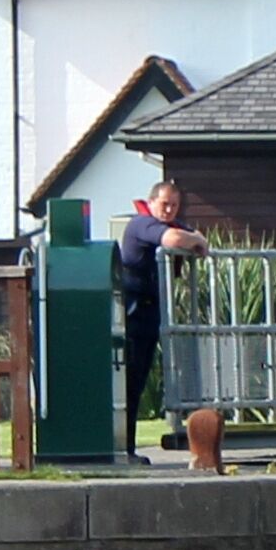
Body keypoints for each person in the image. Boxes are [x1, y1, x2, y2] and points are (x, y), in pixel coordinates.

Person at [116, 181, 210, 454]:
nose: (169, 210)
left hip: (149, 313)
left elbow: (193, 235)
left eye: (174, 205)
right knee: (129, 381)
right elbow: (175, 239)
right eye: (164, 204)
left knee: (138, 381)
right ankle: (123, 448)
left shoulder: (170, 224)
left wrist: (198, 238)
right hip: (132, 314)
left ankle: (126, 448)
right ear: (151, 202)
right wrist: (197, 241)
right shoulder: (142, 224)